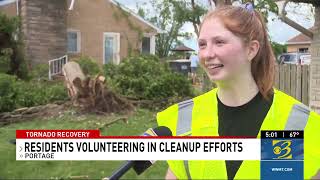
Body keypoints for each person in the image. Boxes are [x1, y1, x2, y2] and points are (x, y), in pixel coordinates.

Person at [157, 3, 320, 180]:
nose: (207, 54)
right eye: (202, 44)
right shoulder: (185, 119)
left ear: (251, 49)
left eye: (219, 42)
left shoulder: (292, 124)